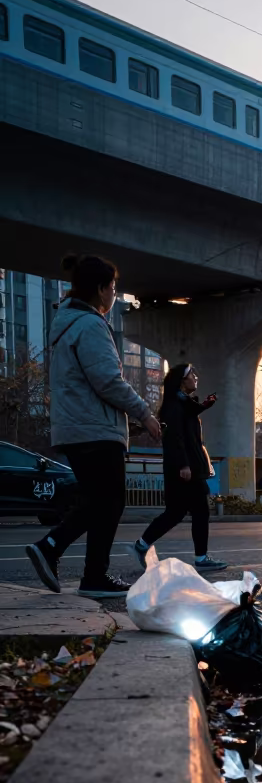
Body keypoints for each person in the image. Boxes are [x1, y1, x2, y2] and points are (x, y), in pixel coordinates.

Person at [26, 253, 161, 598]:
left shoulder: (67, 323)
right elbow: (108, 381)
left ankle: (90, 574)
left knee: (101, 499)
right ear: (101, 289)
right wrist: (144, 412)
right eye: (113, 288)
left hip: (75, 428)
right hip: (94, 430)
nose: (114, 294)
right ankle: (55, 549)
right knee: (108, 500)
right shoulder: (90, 325)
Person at [132, 363, 227, 572]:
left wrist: (205, 404)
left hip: (185, 466)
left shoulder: (182, 403)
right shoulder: (174, 405)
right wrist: (184, 465)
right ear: (182, 381)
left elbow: (191, 414)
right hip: (185, 467)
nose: (195, 377)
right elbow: (175, 437)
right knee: (200, 510)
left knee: (175, 512)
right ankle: (201, 558)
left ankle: (142, 544)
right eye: (191, 374)